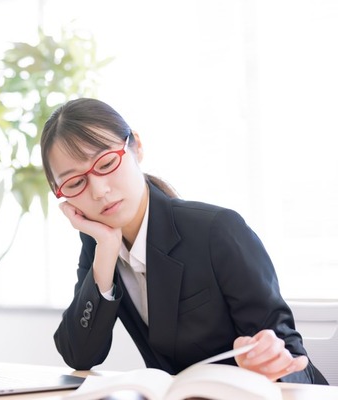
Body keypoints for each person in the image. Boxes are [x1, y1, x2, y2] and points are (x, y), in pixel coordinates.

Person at [39, 97, 327, 384]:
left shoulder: (217, 230)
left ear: (136, 147)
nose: (99, 191)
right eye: (75, 183)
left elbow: (291, 357)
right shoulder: (98, 244)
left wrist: (270, 361)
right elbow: (79, 356)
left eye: (106, 163)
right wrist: (105, 252)